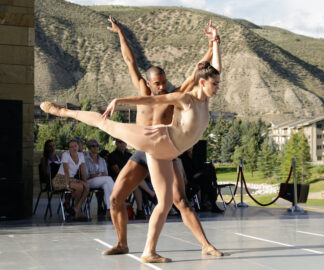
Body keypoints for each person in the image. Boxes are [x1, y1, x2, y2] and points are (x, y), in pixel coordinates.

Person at [40, 19, 222, 263]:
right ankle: (122, 244)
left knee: (178, 200)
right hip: (143, 149)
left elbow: (201, 72)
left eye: (164, 82)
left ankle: (205, 245)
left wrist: (213, 45)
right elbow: (130, 61)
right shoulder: (143, 91)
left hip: (163, 149)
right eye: (157, 83)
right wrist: (121, 35)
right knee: (115, 197)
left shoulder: (176, 95)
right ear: (147, 83)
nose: (162, 86)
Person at [51, 139, 90, 221]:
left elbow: (83, 171)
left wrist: (84, 182)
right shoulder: (66, 154)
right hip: (61, 178)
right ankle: (78, 212)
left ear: (78, 146)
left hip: (72, 179)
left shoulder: (81, 155)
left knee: (87, 186)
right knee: (79, 187)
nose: (74, 148)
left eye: (75, 146)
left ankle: (77, 208)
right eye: (71, 147)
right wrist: (67, 184)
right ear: (68, 148)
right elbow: (66, 171)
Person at [84, 139, 115, 216]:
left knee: (106, 185)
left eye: (97, 145)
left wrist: (97, 174)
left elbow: (106, 173)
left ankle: (109, 208)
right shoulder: (85, 159)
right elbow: (88, 175)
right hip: (89, 181)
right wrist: (100, 174)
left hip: (101, 181)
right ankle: (118, 199)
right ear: (89, 148)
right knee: (108, 179)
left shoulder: (101, 160)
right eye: (93, 146)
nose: (96, 147)